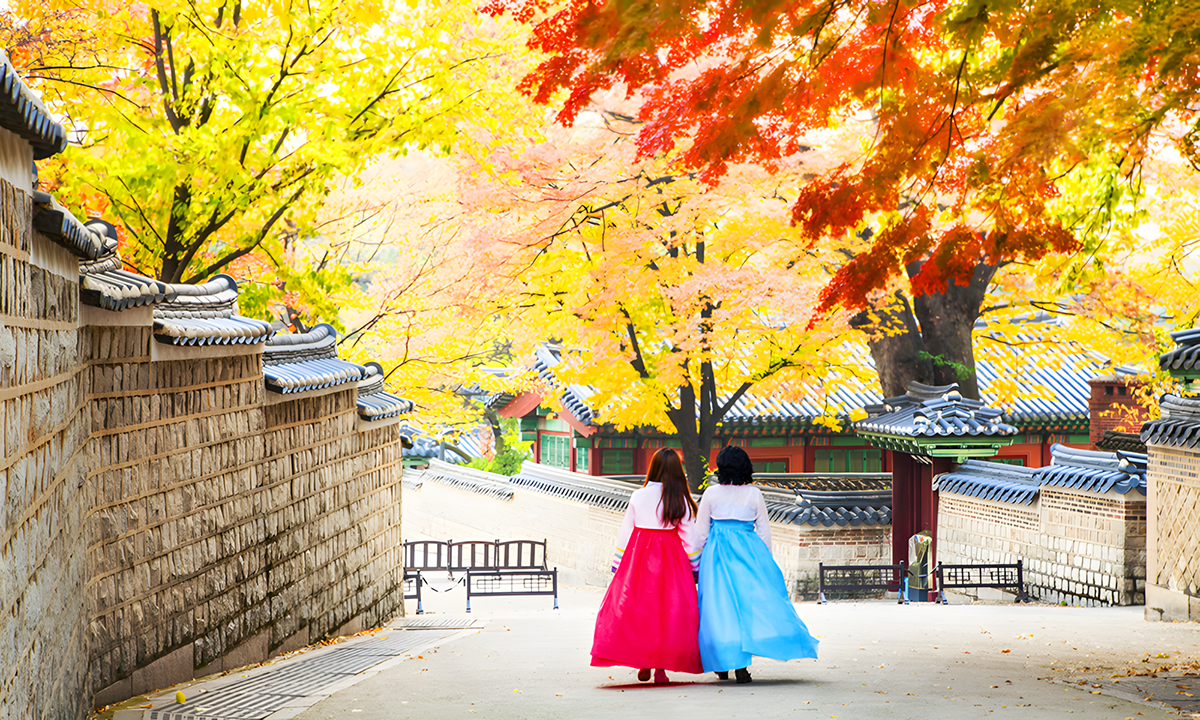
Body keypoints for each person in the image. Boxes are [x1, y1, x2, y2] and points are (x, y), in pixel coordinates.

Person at [696, 445, 819, 683]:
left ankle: (722, 664)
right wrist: (767, 564)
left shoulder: (711, 494)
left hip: (717, 555)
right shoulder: (754, 494)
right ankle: (741, 667)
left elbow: (700, 533)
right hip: (748, 553)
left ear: (721, 468)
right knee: (746, 608)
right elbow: (764, 531)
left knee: (719, 608)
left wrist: (695, 562)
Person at [591, 447, 704, 683]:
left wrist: (618, 566)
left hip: (639, 559)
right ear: (677, 471)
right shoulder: (679, 499)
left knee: (641, 610)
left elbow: (626, 533)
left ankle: (643, 662)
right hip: (671, 561)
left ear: (652, 467)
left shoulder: (638, 496)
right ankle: (661, 669)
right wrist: (695, 567)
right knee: (668, 612)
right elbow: (690, 538)